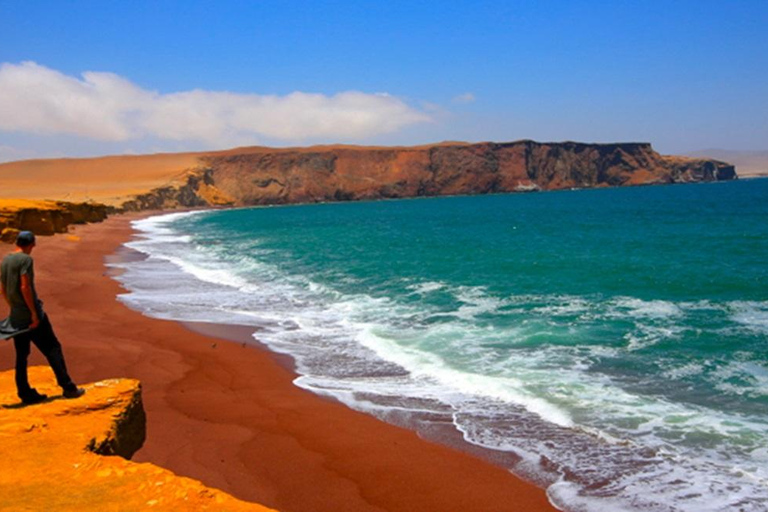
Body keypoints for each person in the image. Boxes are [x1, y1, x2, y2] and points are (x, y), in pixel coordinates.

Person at [0, 231, 84, 404]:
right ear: (32, 244)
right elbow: (25, 287)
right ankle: (68, 388)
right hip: (30, 316)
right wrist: (33, 313)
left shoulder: (5, 260)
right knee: (53, 348)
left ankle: (24, 392)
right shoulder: (26, 260)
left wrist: (13, 307)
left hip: (16, 316)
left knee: (21, 355)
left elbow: (3, 288)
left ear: (17, 242)